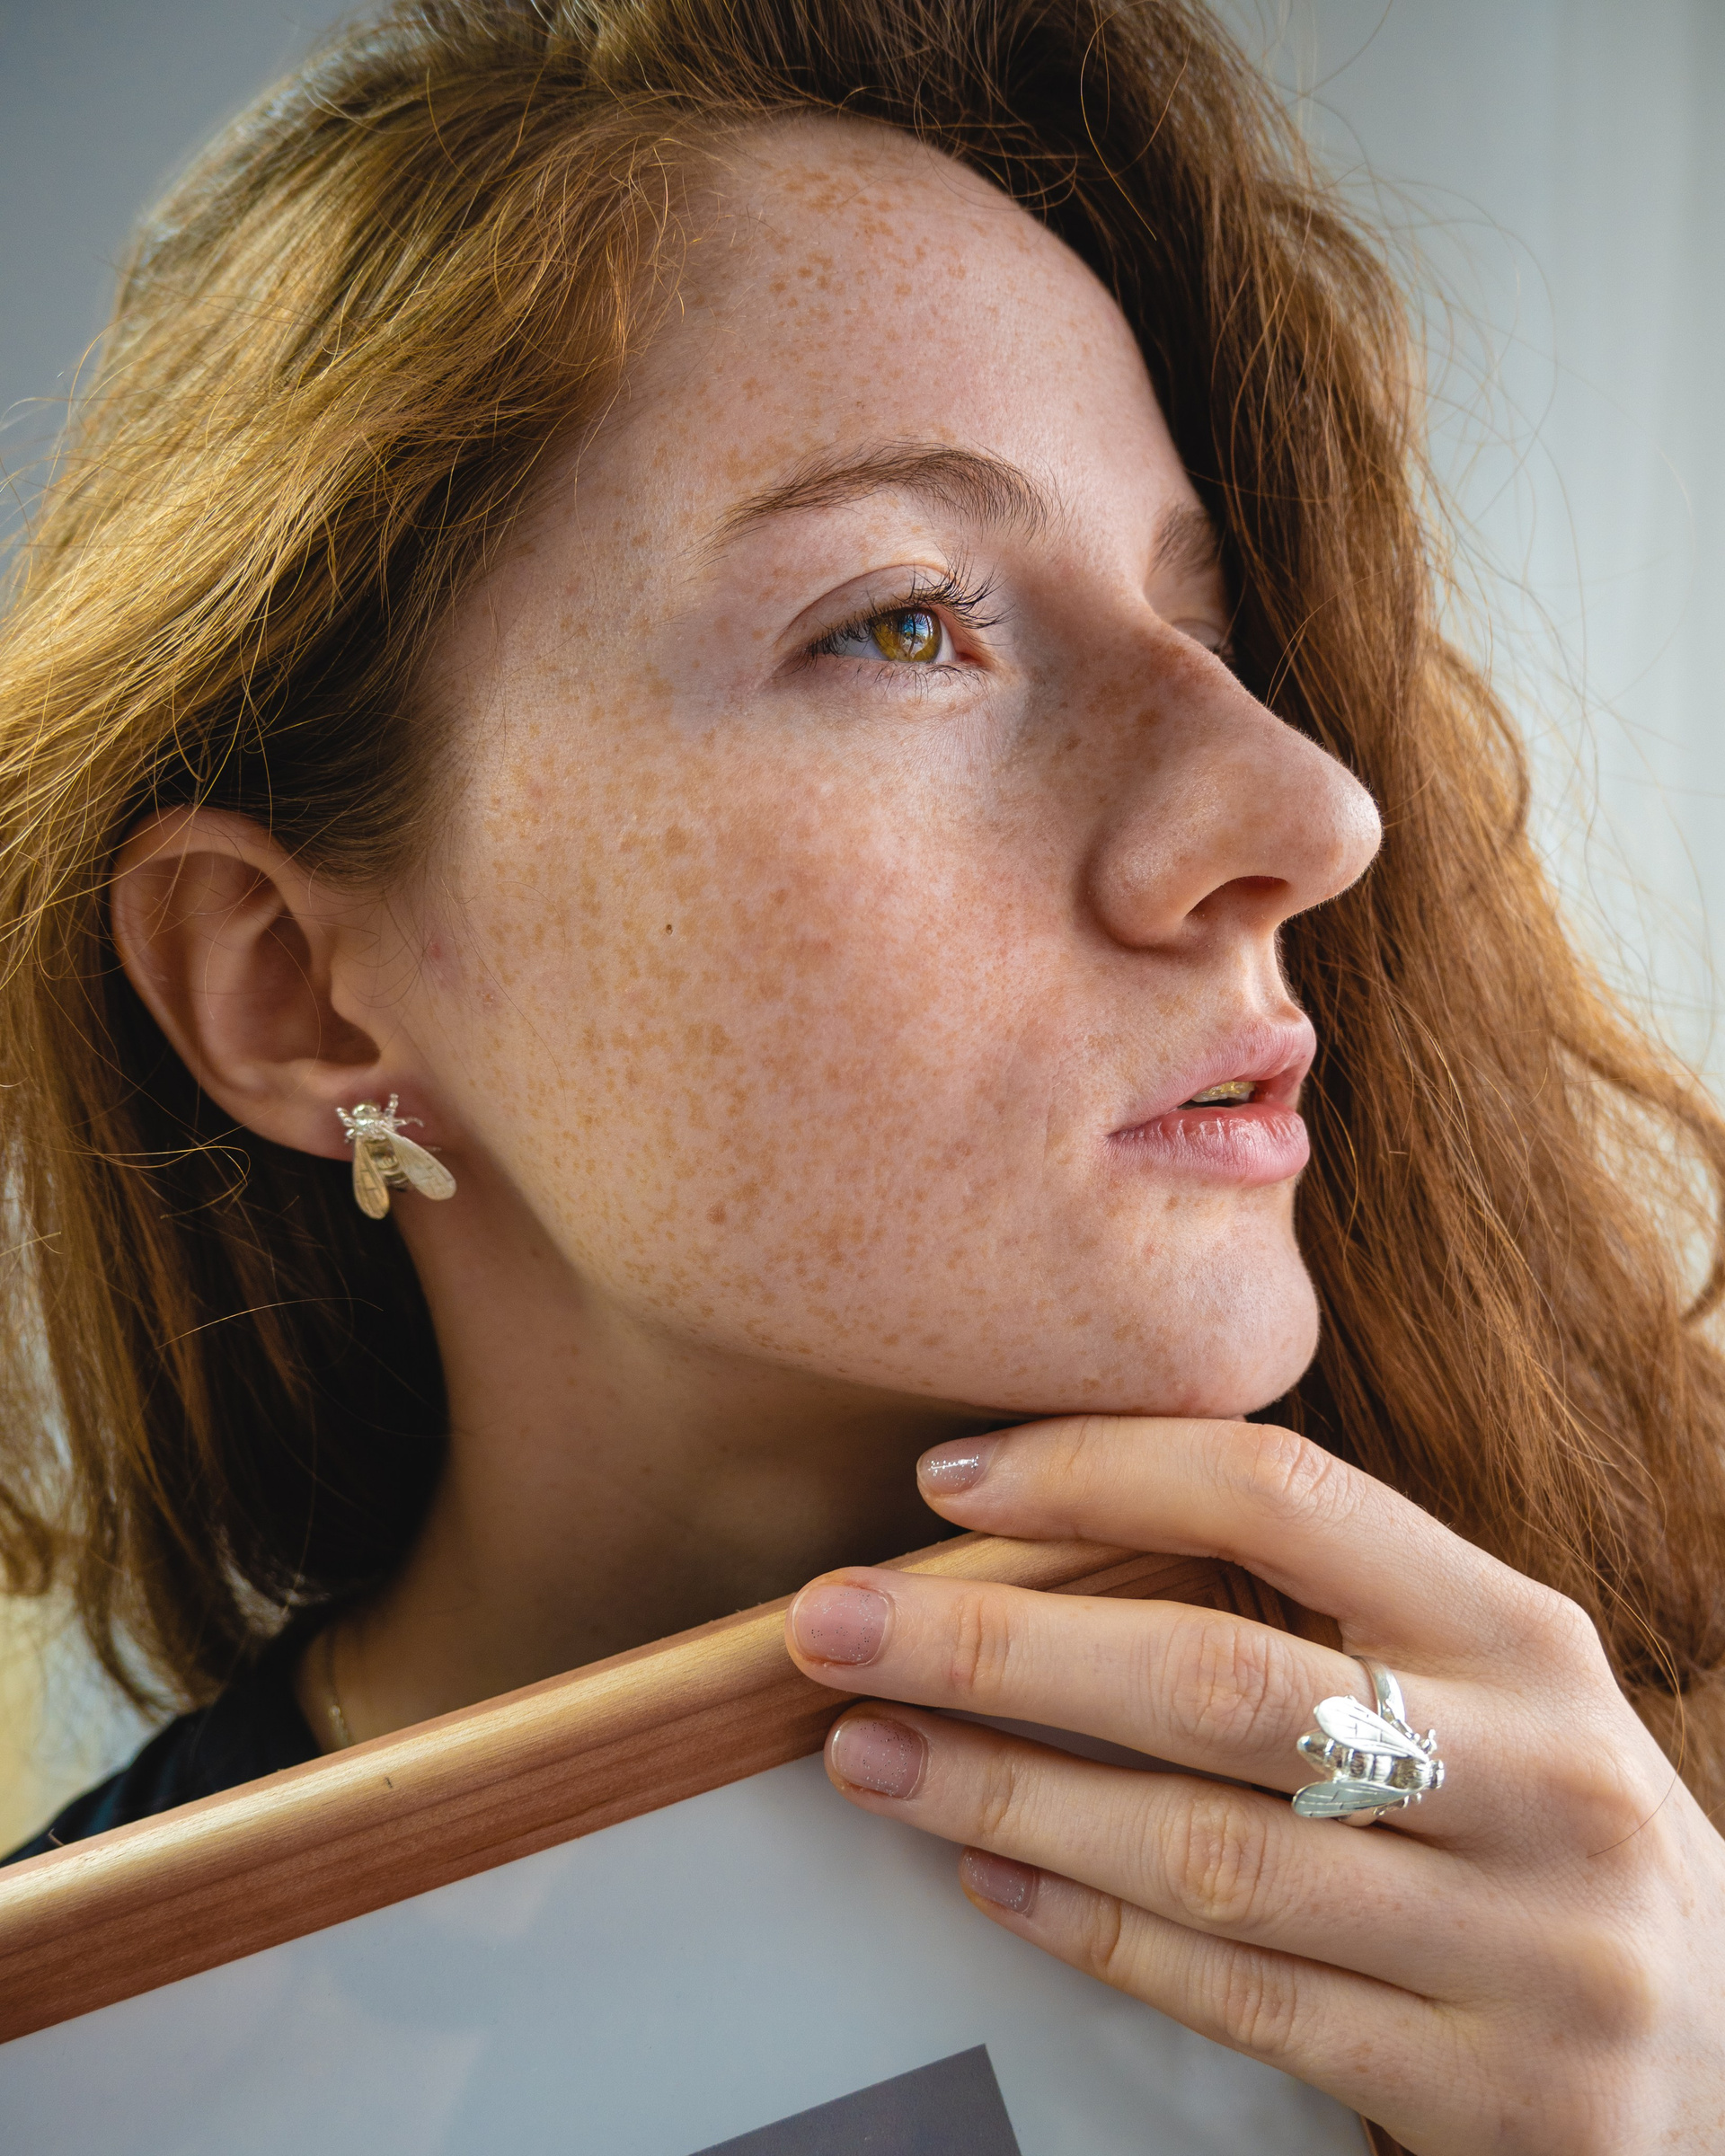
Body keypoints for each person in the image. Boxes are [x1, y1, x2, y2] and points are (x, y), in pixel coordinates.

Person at [2, 0, 1722, 2144]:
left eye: (1205, 625)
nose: (1303, 809)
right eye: (905, 622)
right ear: (291, 994)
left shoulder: (1661, 1864)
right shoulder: (92, 2091)